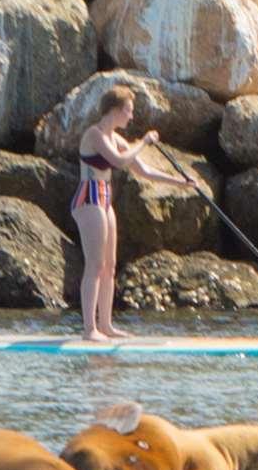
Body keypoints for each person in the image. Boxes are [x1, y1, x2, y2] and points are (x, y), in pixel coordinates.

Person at [70, 86, 200, 344]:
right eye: (129, 111)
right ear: (116, 110)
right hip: (88, 197)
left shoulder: (116, 139)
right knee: (94, 265)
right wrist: (143, 142)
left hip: (105, 198)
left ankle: (105, 325)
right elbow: (119, 162)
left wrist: (179, 182)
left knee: (109, 266)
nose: (131, 117)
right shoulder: (95, 135)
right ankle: (89, 329)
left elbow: (144, 171)